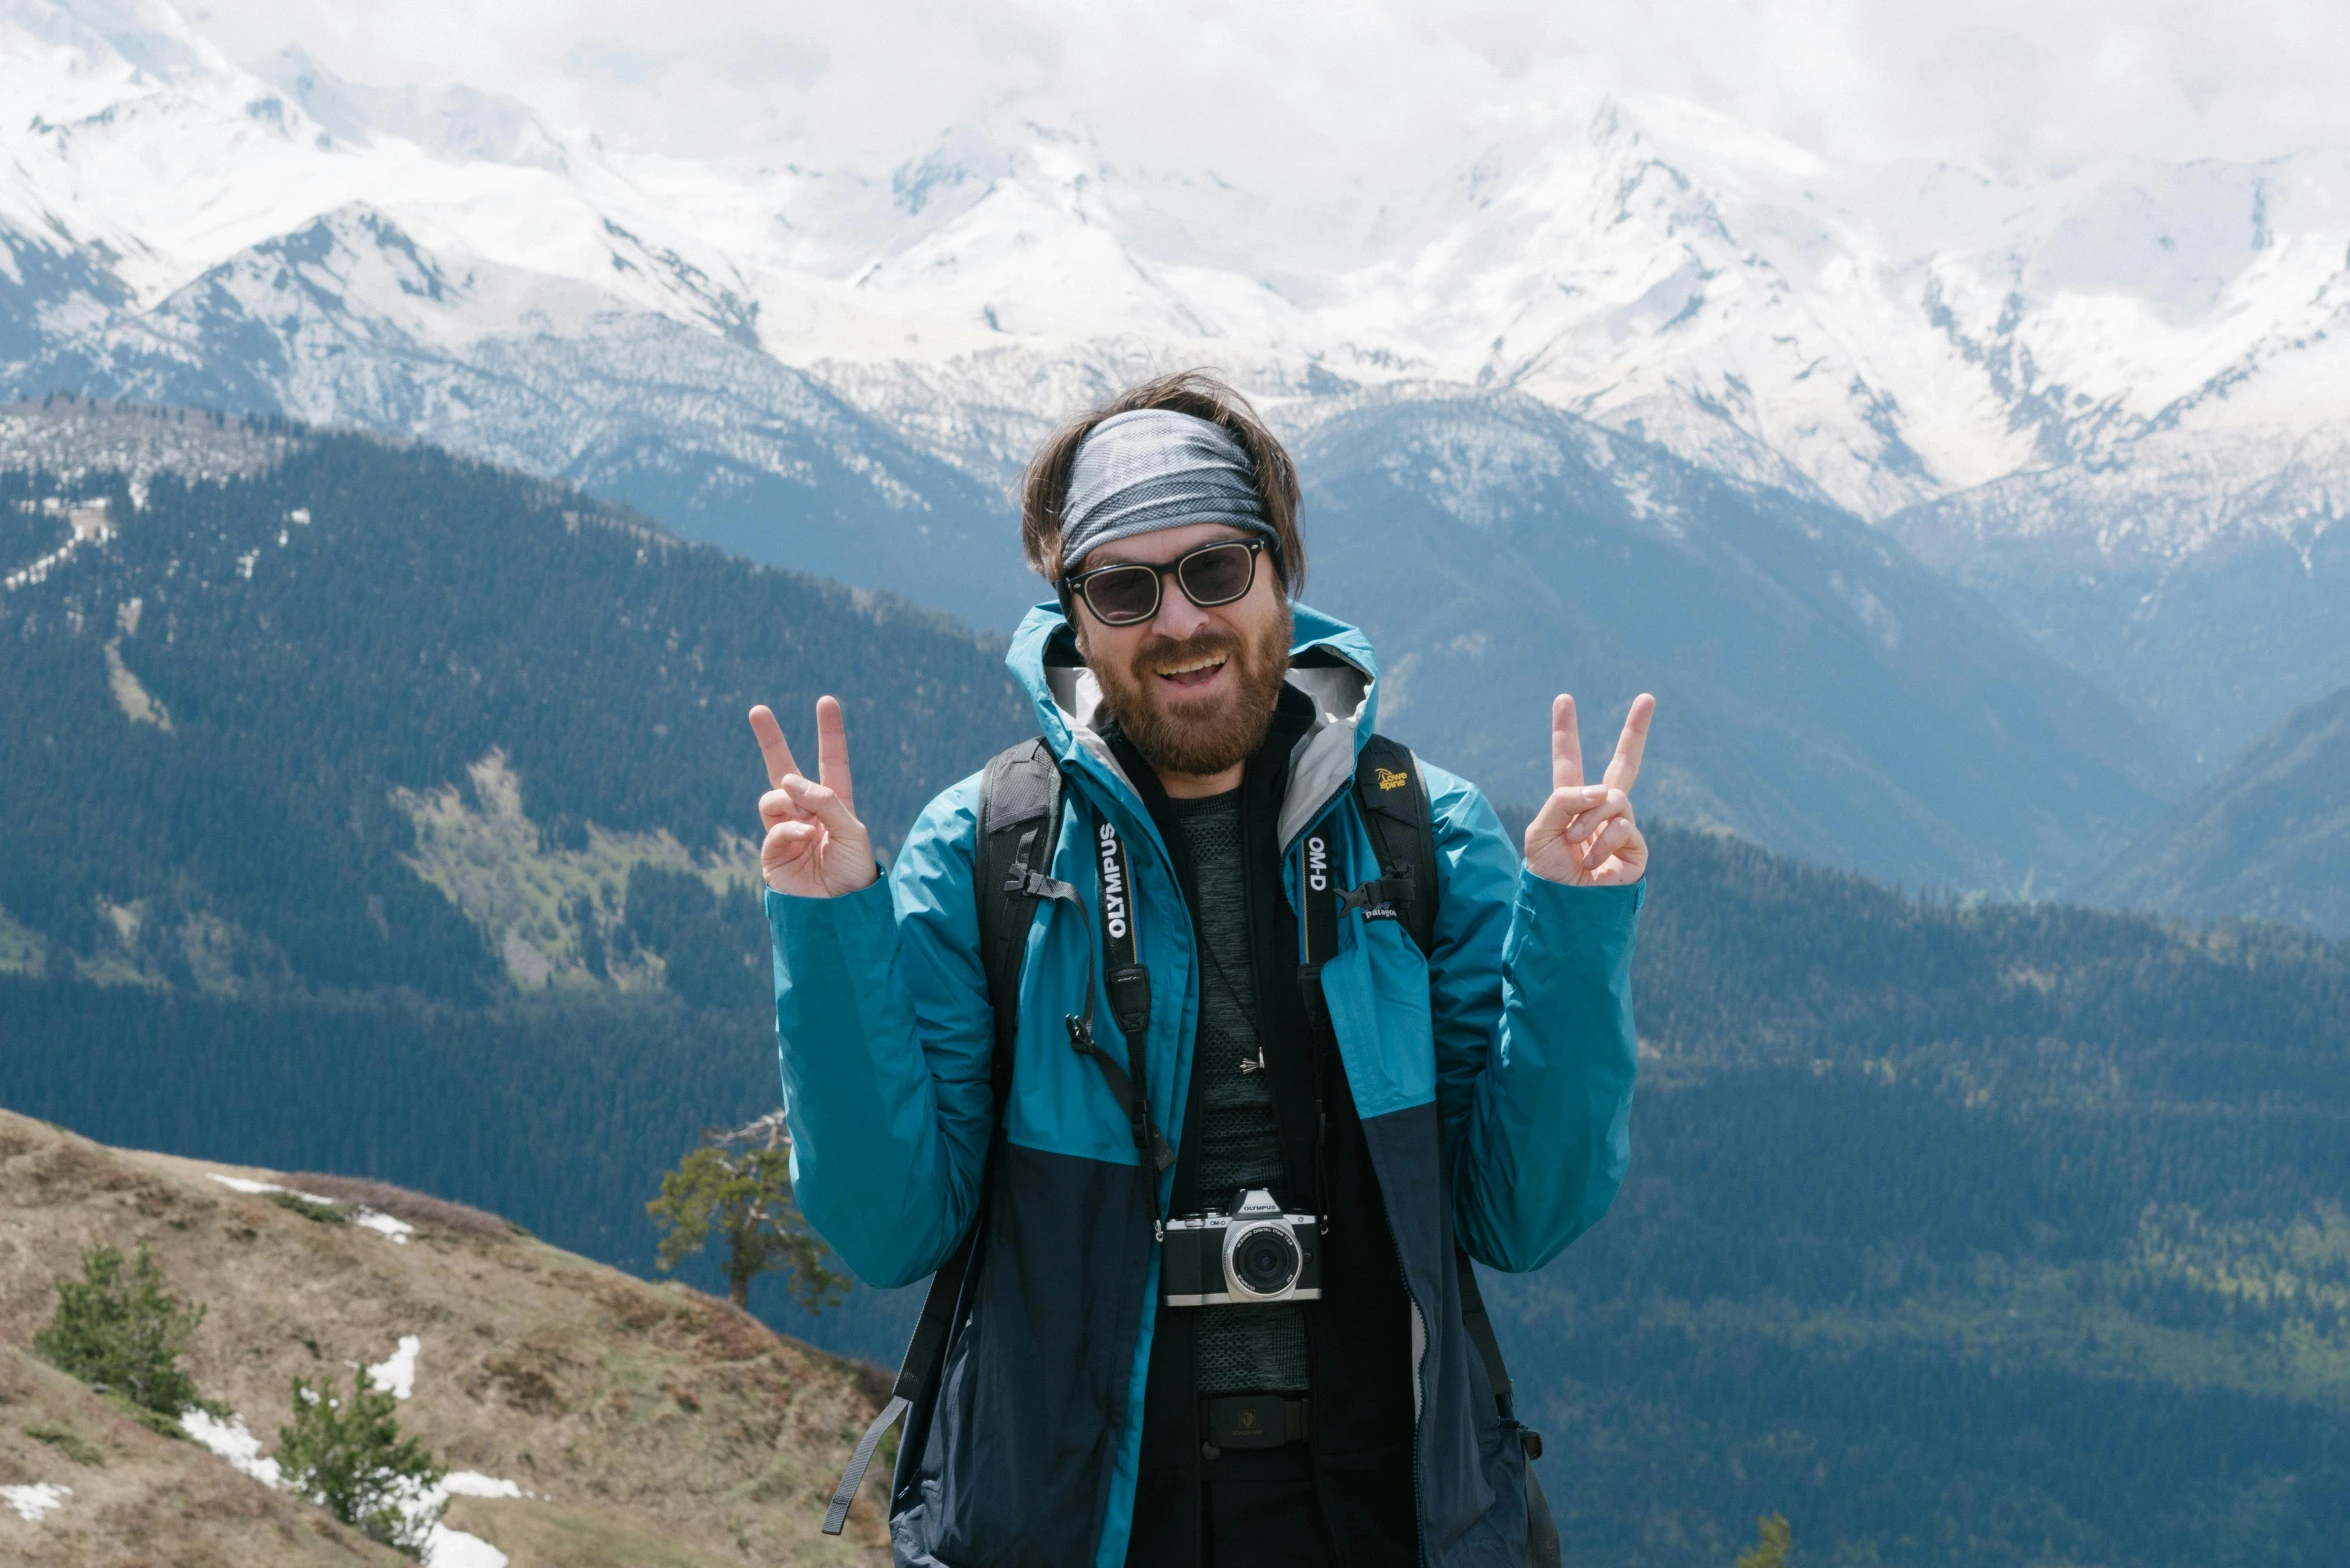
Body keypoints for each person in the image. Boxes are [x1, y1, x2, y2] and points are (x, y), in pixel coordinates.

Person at [748, 371, 1652, 1568]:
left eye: (1215, 570)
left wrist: (1576, 928)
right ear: (1074, 614)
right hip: (1072, 1525)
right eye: (1124, 587)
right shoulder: (986, 850)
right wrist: (828, 928)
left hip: (1380, 1512)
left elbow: (1520, 1212)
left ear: (1280, 572)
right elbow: (888, 1225)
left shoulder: (1425, 834)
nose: (1178, 621)